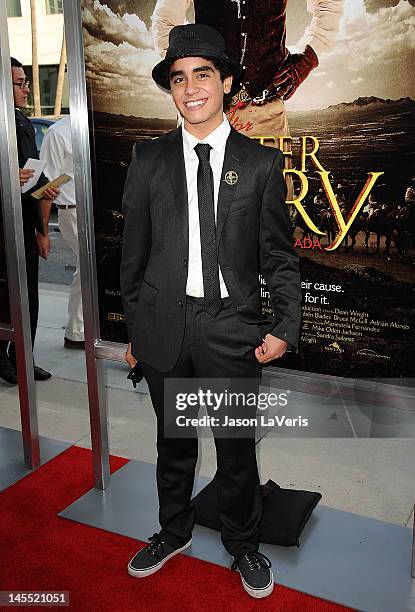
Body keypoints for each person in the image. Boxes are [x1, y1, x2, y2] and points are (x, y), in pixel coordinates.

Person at [120, 24, 301, 598]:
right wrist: (133, 328)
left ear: (225, 82)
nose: (191, 88)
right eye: (179, 78)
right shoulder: (146, 160)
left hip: (230, 328)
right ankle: (172, 532)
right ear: (171, 90)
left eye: (203, 74)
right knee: (173, 443)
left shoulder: (259, 164)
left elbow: (279, 256)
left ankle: (243, 546)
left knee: (234, 449)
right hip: (165, 327)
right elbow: (133, 255)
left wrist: (284, 327)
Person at [152, 0, 343, 139]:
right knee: (199, 192)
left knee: (273, 193)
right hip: (204, 114)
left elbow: (328, 4)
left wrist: (308, 57)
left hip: (267, 115)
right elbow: (165, 19)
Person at [0, 57, 59, 386]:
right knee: (5, 295)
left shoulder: (21, 122)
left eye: (25, 82)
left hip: (23, 220)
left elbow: (31, 170)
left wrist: (47, 187)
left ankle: (22, 356)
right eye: (19, 83)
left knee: (28, 294)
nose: (26, 89)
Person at [40, 116, 85, 349]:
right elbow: (47, 184)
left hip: (94, 211)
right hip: (73, 211)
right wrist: (43, 231)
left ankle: (79, 330)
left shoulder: (92, 127)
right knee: (89, 268)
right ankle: (76, 332)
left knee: (89, 268)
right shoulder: (58, 133)